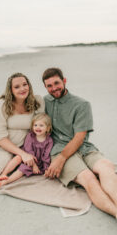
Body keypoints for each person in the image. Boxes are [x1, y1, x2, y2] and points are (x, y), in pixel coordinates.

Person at [42, 67, 117, 218]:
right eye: (49, 86)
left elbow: (79, 138)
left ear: (64, 81)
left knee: (107, 168)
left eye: (56, 83)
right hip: (58, 149)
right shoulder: (44, 102)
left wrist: (61, 160)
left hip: (83, 147)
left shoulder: (82, 104)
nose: (54, 88)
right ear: (45, 87)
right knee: (88, 178)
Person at [0, 113, 53, 187]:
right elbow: (28, 150)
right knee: (18, 157)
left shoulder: (49, 140)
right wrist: (33, 165)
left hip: (38, 163)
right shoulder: (30, 136)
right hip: (27, 158)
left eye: (41, 125)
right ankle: (4, 174)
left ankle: (8, 180)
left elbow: (46, 156)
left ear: (48, 128)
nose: (37, 128)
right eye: (35, 125)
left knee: (23, 169)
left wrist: (46, 168)